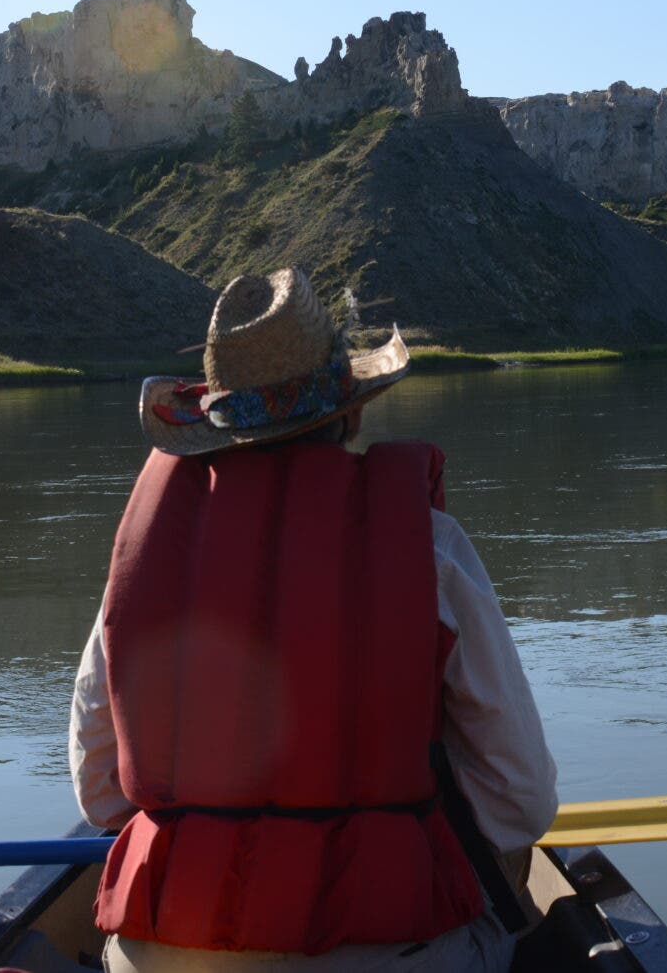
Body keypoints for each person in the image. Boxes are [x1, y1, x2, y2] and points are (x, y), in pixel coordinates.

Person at [68, 267, 558, 973]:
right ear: (352, 411)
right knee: (509, 893)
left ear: (214, 431)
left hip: (164, 957)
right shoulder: (430, 548)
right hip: (391, 953)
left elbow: (99, 794)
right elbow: (521, 803)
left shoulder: (147, 561)